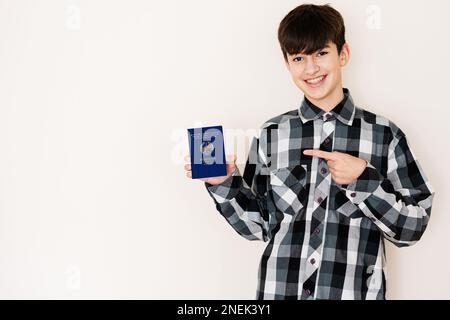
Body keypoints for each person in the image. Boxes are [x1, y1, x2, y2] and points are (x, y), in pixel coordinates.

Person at [184, 4, 434, 300]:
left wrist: (363, 180)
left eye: (321, 53)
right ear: (287, 64)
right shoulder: (271, 134)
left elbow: (413, 228)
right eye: (299, 57)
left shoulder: (385, 135)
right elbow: (259, 227)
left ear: (343, 54)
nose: (311, 68)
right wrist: (223, 183)